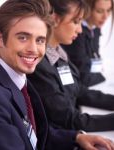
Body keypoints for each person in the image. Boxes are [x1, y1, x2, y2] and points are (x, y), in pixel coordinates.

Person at [0, 0, 114, 150]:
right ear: (0, 39)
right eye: (23, 37)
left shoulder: (19, 79)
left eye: (40, 40)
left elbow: (34, 133)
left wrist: (76, 137)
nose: (33, 49)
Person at [28, 0, 114, 134]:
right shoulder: (40, 66)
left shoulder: (59, 53)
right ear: (55, 19)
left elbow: (78, 90)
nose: (80, 29)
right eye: (76, 21)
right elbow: (67, 118)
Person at [62, 0, 114, 86]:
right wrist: (102, 76)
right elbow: (84, 75)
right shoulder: (76, 34)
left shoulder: (96, 27)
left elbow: (95, 58)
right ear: (87, 8)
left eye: (108, 10)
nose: (105, 16)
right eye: (99, 11)